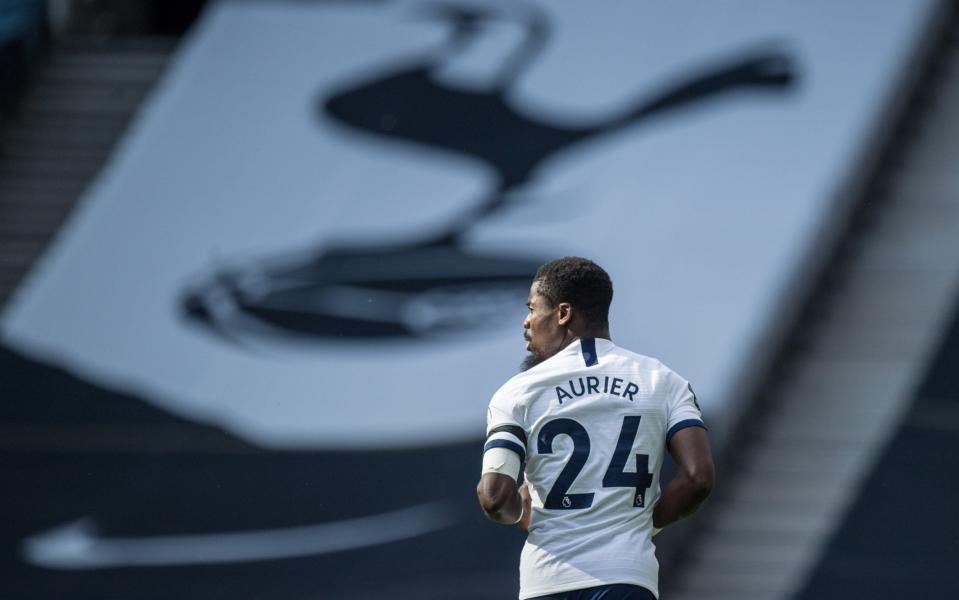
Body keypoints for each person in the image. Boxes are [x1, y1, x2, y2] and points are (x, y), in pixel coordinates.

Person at [476, 257, 714, 600]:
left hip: (548, 579)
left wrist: (520, 513)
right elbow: (698, 477)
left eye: (532, 308)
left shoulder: (517, 392)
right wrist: (646, 523)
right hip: (627, 574)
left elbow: (494, 497)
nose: (526, 321)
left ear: (562, 313)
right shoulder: (661, 380)